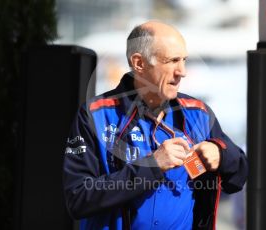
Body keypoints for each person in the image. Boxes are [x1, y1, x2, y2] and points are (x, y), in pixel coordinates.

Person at [63, 21, 248, 230]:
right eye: (172, 61)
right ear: (139, 63)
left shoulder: (198, 113)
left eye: (184, 60)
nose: (182, 71)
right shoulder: (96, 115)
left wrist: (221, 154)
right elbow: (78, 198)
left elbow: (239, 176)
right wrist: (152, 165)